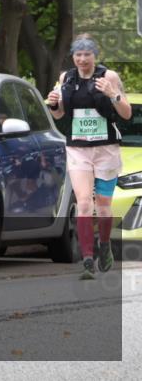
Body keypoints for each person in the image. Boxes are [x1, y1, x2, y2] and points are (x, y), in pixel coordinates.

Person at [46, 34, 131, 279]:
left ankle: (104, 246)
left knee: (103, 205)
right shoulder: (66, 78)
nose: (82, 59)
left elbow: (125, 114)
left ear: (95, 56)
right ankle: (86, 259)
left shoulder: (109, 77)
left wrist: (113, 94)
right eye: (78, 55)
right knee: (84, 203)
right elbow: (60, 115)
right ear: (73, 57)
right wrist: (53, 104)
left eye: (87, 55)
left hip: (106, 149)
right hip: (78, 148)